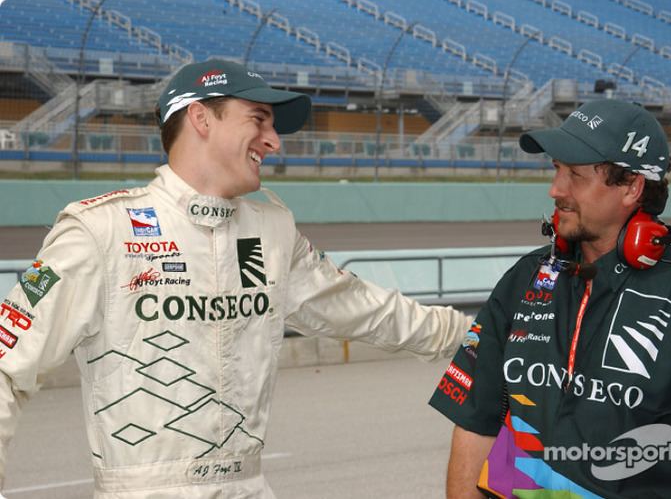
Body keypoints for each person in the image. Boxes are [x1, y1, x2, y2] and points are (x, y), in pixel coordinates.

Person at [0, 59, 472, 498]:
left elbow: (366, 309)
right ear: (202, 119)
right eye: (258, 119)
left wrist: (478, 338)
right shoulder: (100, 230)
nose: (274, 141)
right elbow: (5, 366)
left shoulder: (269, 230)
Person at [429, 99, 671, 498]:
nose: (555, 189)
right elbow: (475, 421)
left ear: (631, 187)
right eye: (556, 170)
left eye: (575, 175)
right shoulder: (524, 280)